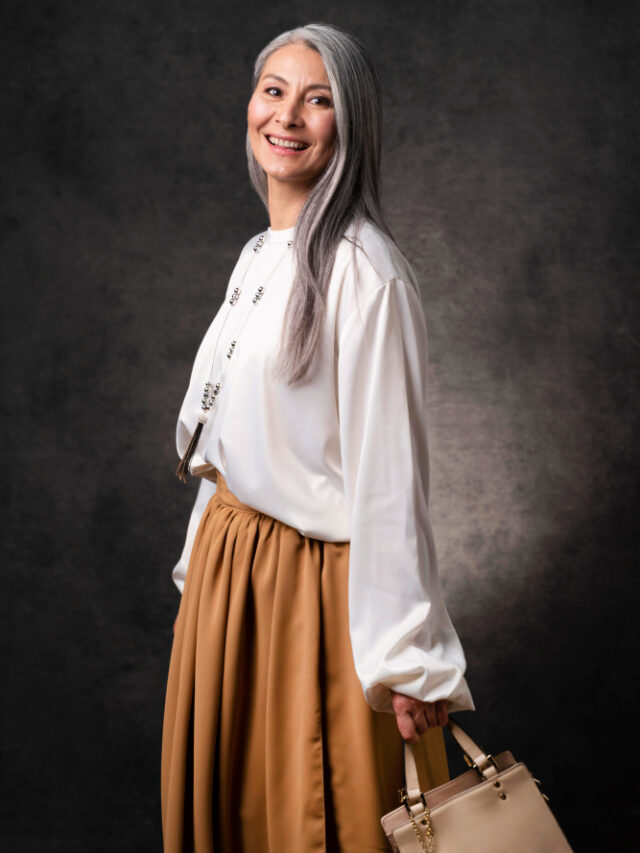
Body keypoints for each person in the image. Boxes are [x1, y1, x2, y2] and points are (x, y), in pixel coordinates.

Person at [161, 22, 475, 853]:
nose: (288, 116)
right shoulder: (260, 253)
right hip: (236, 583)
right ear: (252, 104)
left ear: (351, 124)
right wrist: (203, 572)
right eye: (275, 90)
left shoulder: (366, 272)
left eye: (319, 98)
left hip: (311, 599)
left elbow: (387, 481)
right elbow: (226, 443)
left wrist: (407, 662)